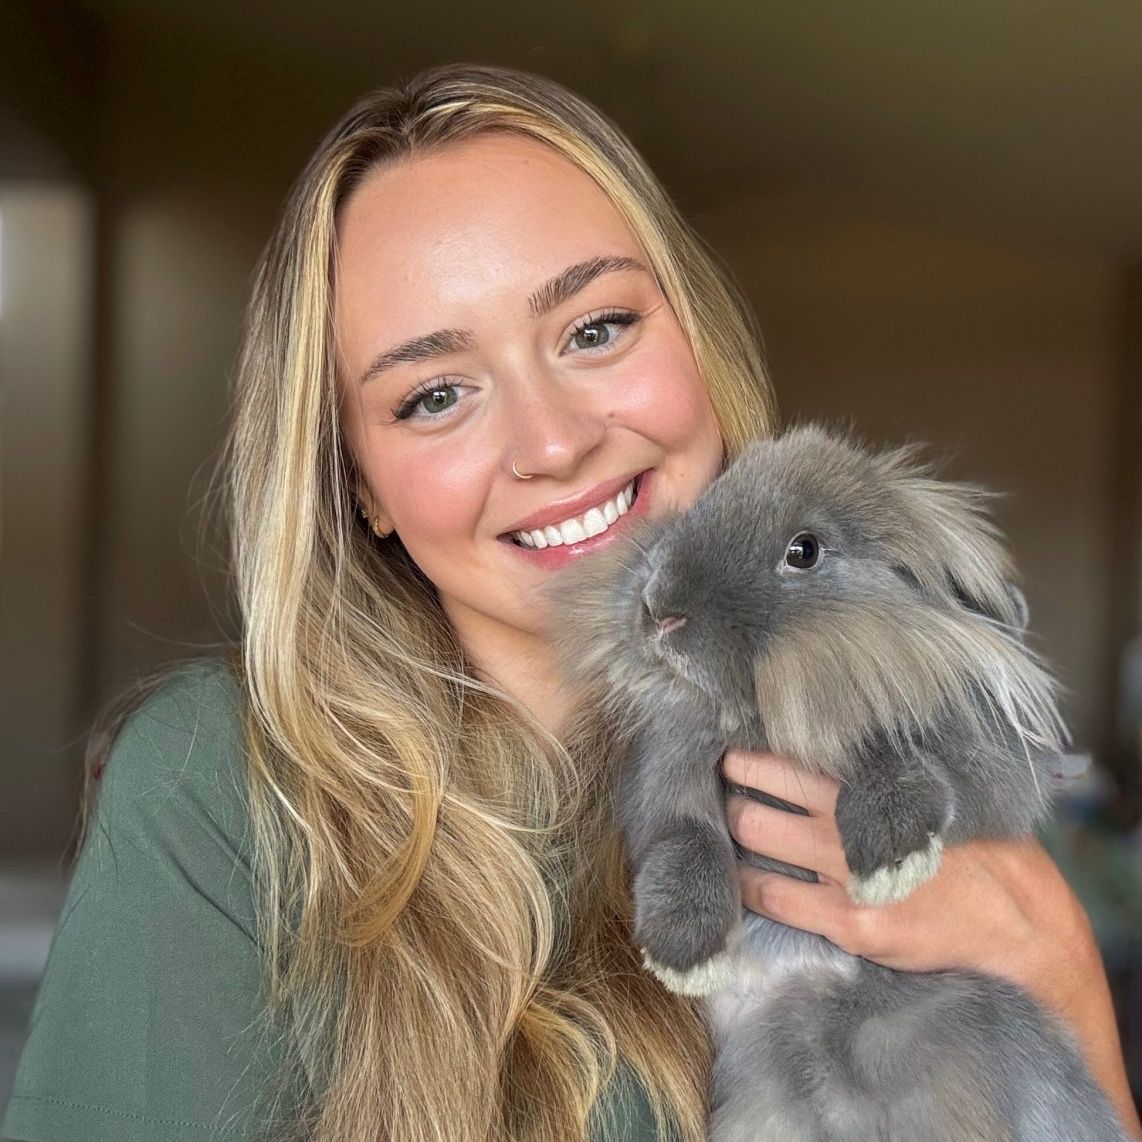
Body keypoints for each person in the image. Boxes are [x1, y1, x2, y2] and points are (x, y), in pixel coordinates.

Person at [2, 64, 1138, 1142]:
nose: (553, 442)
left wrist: (1060, 987)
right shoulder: (224, 792)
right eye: (435, 394)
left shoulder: (864, 733)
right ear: (360, 487)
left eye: (595, 328)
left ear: (690, 329)